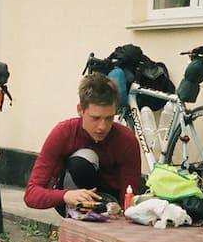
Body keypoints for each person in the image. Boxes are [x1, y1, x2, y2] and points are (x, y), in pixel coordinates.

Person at [24, 72, 142, 215]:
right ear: (80, 110)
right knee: (83, 159)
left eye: (109, 118)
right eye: (95, 118)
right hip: (72, 197)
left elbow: (131, 197)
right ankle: (75, 218)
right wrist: (65, 195)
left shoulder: (126, 140)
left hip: (111, 204)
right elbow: (31, 195)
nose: (102, 127)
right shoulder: (63, 133)